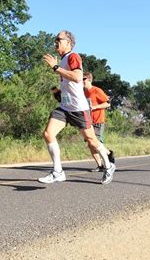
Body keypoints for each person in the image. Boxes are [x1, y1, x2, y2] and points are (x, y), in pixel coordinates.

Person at [38, 30, 115, 185]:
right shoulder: (64, 60)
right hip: (65, 107)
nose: (55, 42)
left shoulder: (73, 56)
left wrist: (55, 68)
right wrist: (58, 92)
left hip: (79, 108)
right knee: (48, 134)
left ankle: (108, 165)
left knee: (92, 141)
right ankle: (58, 172)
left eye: (58, 39)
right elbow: (69, 86)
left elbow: (77, 77)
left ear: (68, 42)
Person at [83, 71, 115, 172]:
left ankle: (108, 154)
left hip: (98, 120)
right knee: (90, 144)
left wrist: (95, 106)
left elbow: (107, 104)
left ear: (88, 79)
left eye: (82, 79)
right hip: (88, 121)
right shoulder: (83, 92)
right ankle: (100, 165)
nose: (80, 81)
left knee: (94, 143)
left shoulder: (96, 90)